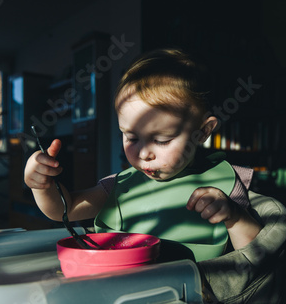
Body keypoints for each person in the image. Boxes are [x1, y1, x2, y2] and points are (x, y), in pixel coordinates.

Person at [24, 48, 262, 258]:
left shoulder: (225, 185)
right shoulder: (120, 186)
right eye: (131, 137)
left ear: (202, 132)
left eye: (162, 140)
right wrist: (42, 185)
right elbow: (63, 209)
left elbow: (255, 254)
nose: (144, 153)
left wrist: (234, 217)